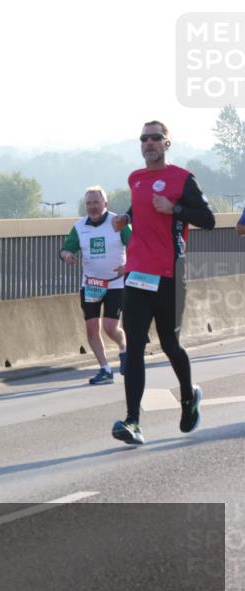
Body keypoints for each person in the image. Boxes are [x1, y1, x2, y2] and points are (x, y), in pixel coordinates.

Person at [110, 121, 216, 446]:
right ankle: (133, 422)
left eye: (156, 137)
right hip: (137, 275)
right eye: (144, 138)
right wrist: (126, 218)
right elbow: (139, 206)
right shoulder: (136, 179)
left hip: (170, 275)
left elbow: (209, 220)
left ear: (167, 143)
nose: (149, 143)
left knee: (170, 345)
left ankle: (188, 396)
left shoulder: (182, 179)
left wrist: (176, 209)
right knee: (135, 348)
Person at [60, 186, 130, 384]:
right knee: (92, 327)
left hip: (115, 283)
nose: (92, 207)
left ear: (105, 204)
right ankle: (105, 369)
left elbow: (136, 244)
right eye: (89, 203)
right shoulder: (80, 226)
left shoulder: (118, 222)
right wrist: (67, 255)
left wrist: (129, 265)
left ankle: (124, 348)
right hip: (91, 284)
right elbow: (66, 248)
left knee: (110, 326)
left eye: (96, 202)